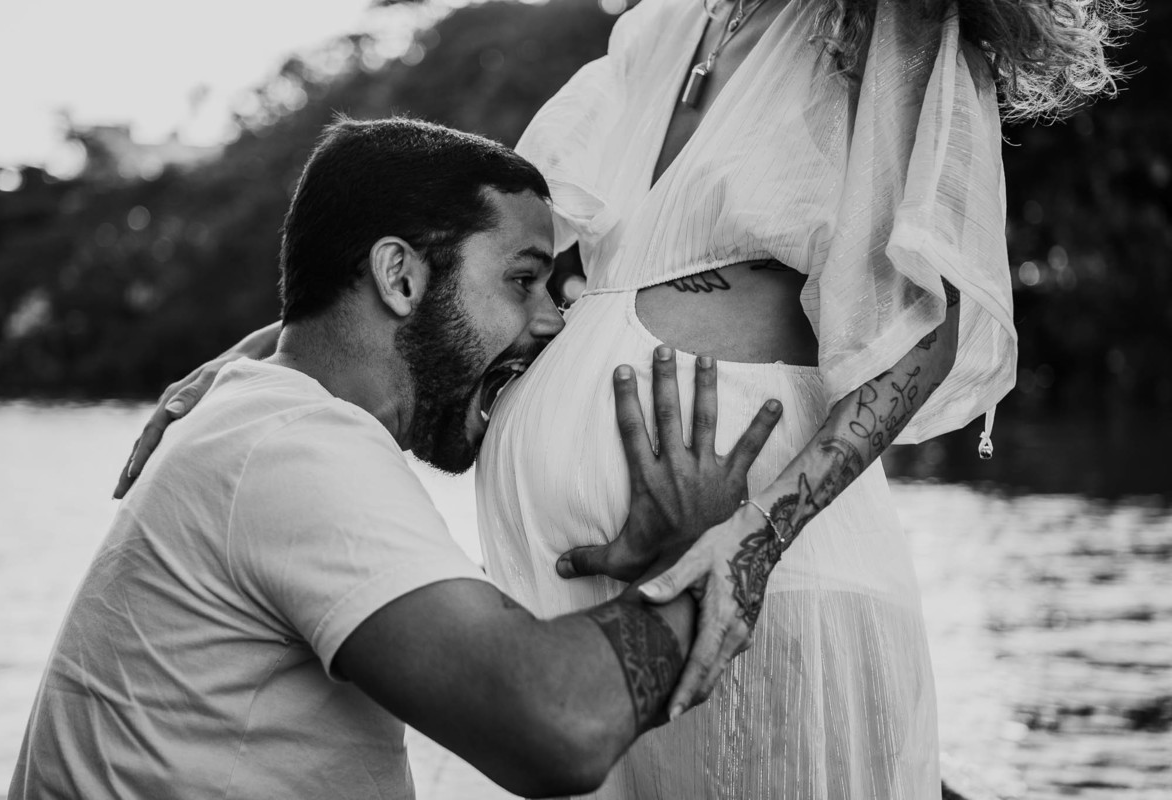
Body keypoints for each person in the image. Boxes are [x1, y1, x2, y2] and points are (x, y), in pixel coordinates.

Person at [117, 1, 1134, 797]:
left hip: (756, 578)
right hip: (593, 612)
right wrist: (271, 353)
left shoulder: (884, 23)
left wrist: (752, 541)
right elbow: (460, 252)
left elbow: (929, 320)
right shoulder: (662, 31)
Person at [12, 118, 785, 800]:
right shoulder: (296, 447)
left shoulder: (260, 417)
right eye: (523, 279)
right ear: (400, 276)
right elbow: (560, 729)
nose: (552, 319)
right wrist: (700, 552)